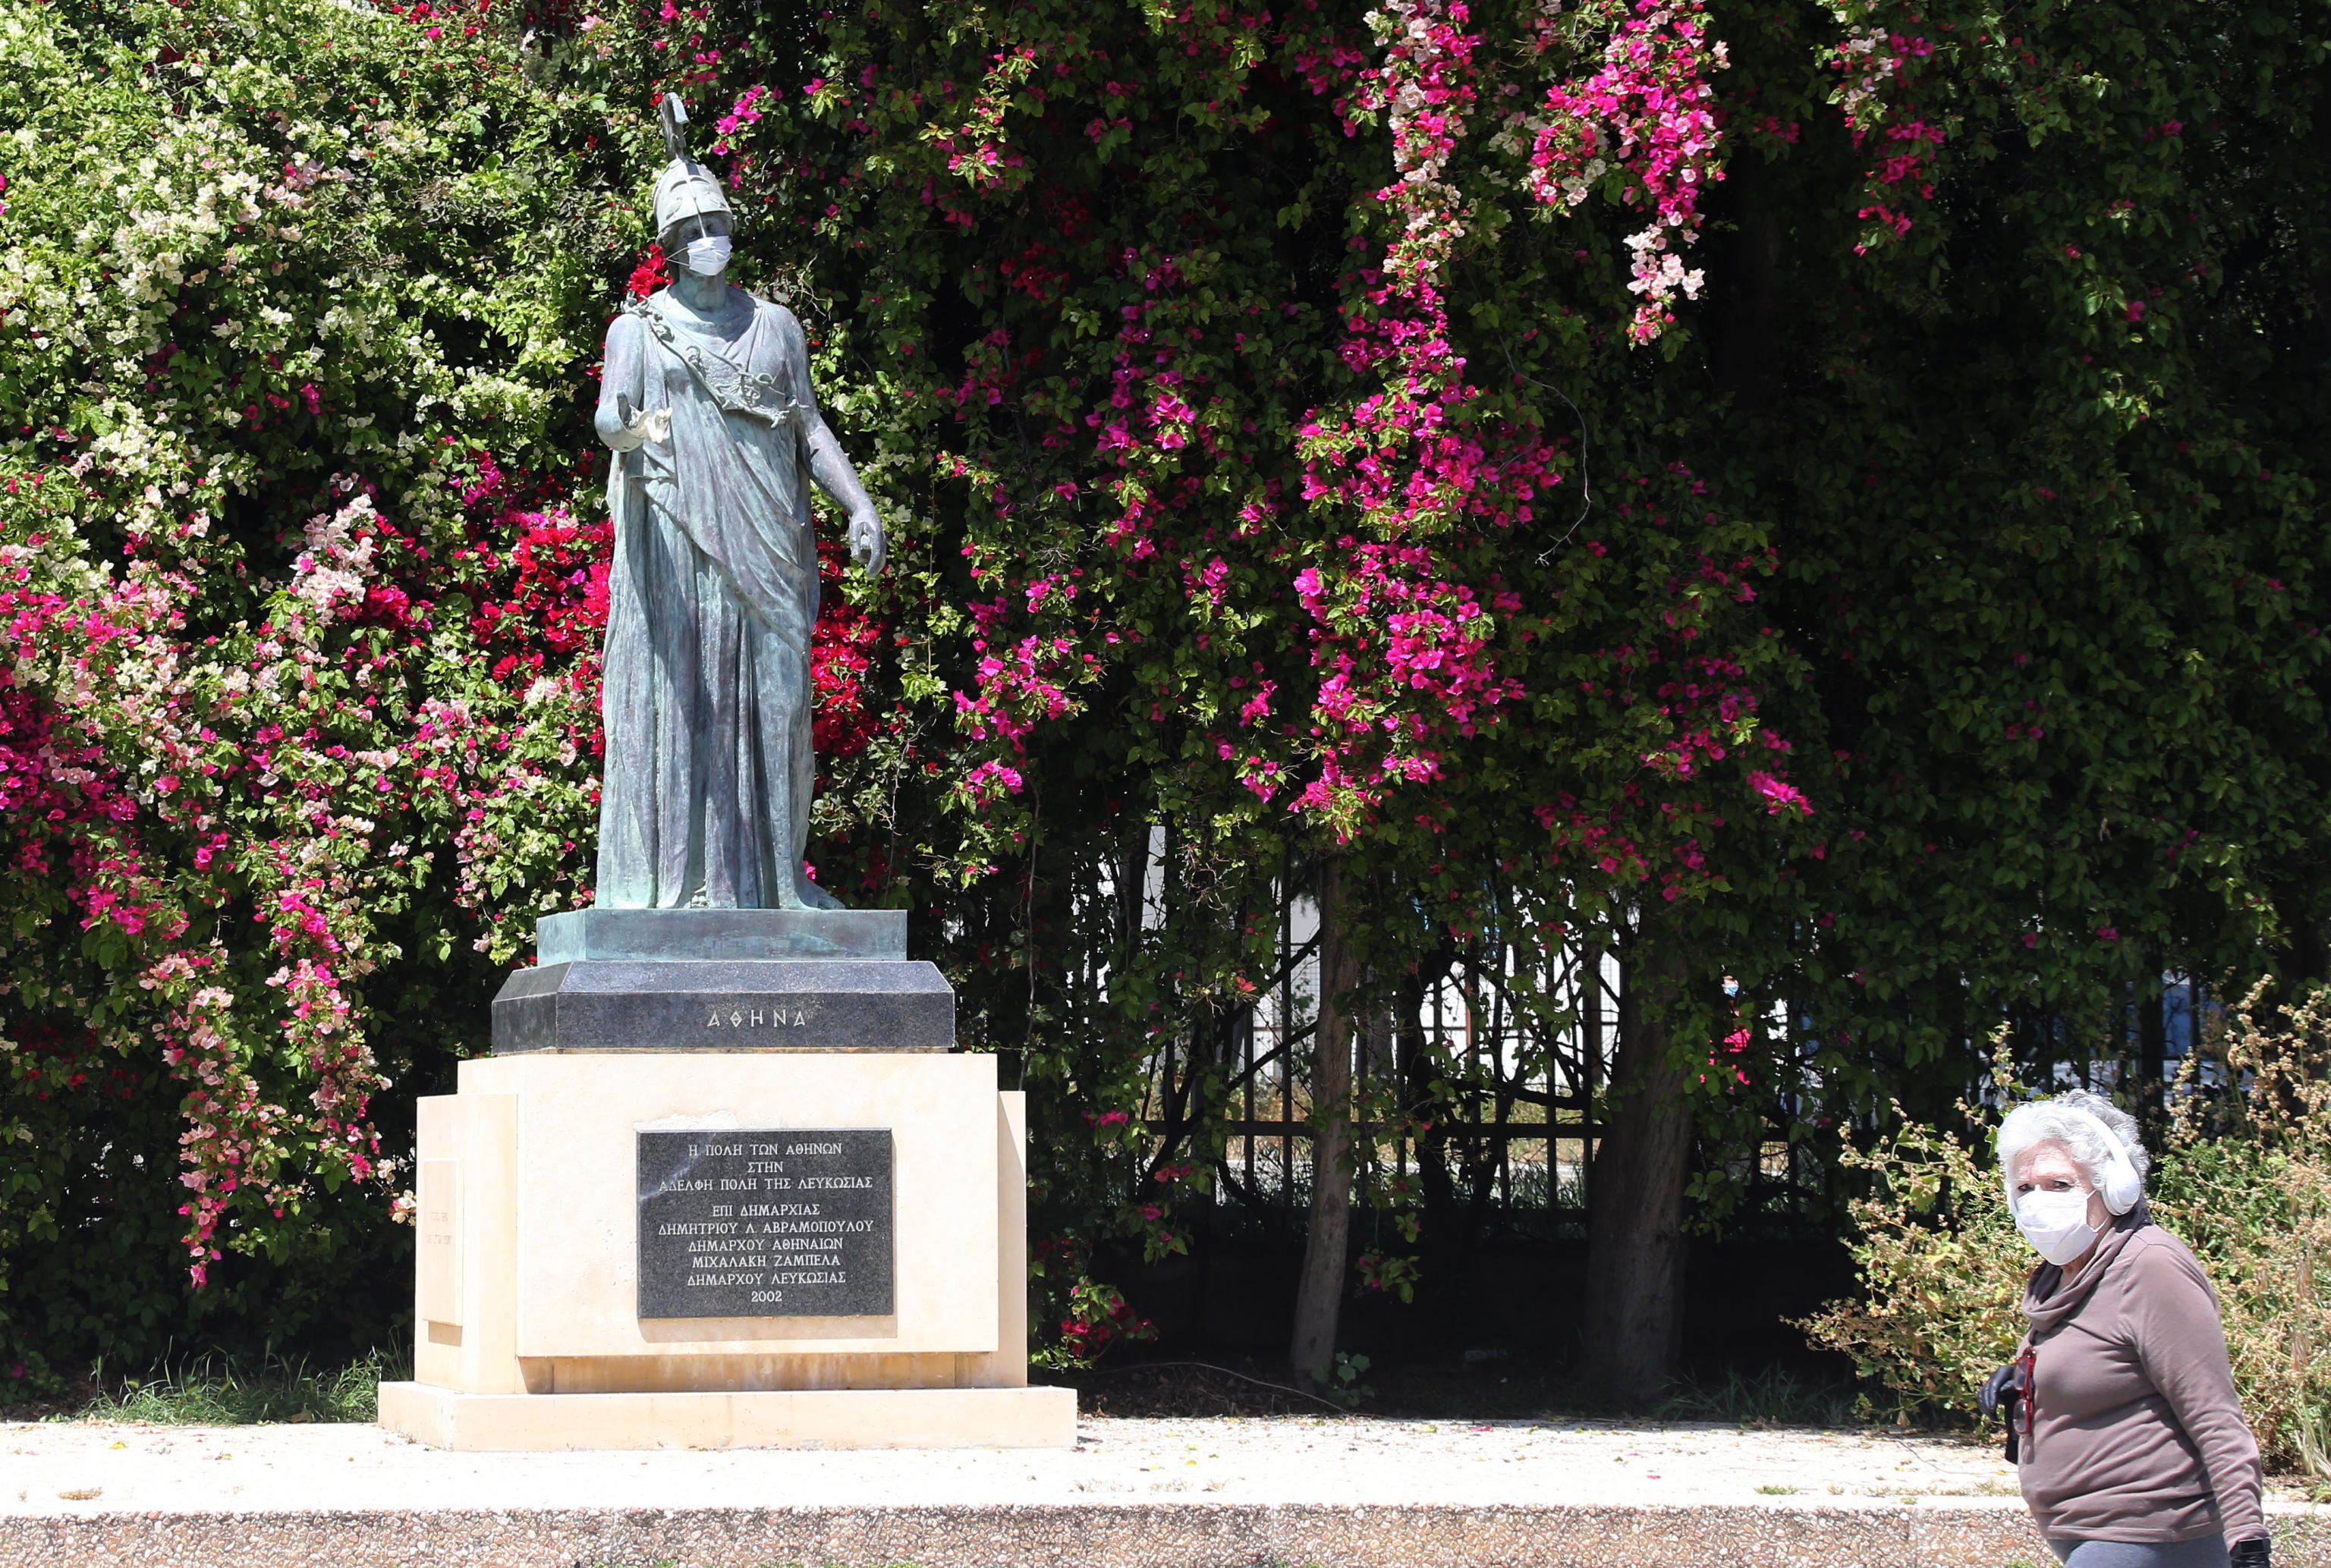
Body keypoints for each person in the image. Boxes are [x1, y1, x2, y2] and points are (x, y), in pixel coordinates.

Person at [591, 94, 886, 910]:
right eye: (688, 231)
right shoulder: (638, 331)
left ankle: (781, 880)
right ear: (668, 246)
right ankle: (684, 884)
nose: (705, 240)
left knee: (783, 708)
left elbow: (811, 429)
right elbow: (610, 417)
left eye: (713, 223)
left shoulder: (779, 328)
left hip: (771, 536)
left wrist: (860, 507)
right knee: (688, 702)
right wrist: (624, 428)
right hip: (681, 540)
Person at [1983, 1089, 2270, 1568]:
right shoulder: (2062, 1274)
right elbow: (2105, 1362)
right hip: (2081, 1529)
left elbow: (2213, 1409)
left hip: (2151, 1530)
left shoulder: (2149, 1265)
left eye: (2058, 1185)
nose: (2037, 1202)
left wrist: (2247, 1537)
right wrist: (2026, 1378)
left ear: (2115, 1187)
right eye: (2025, 1188)